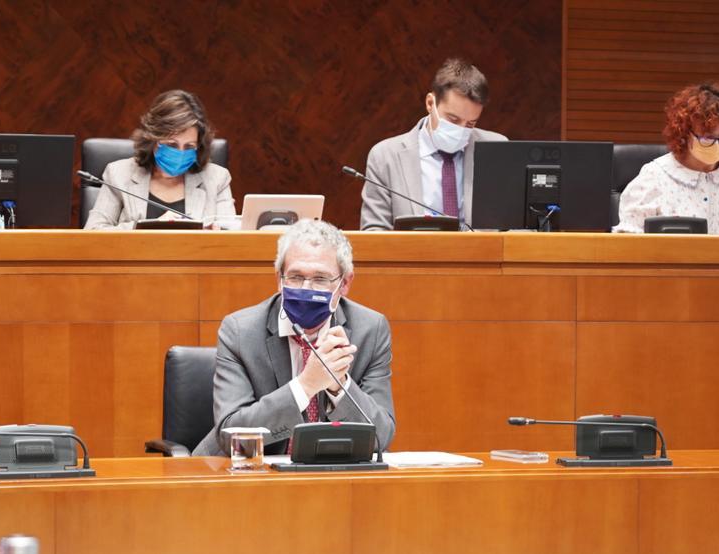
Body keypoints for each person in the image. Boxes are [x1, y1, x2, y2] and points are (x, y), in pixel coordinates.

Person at [193, 220, 396, 456]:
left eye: (320, 279)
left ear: (345, 283)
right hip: (249, 473)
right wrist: (306, 385)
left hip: (329, 476)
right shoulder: (240, 331)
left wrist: (337, 385)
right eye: (296, 277)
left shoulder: (370, 329)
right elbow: (232, 435)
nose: (306, 288)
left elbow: (381, 437)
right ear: (279, 279)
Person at [359, 58, 507, 230]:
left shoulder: (497, 150)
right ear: (430, 103)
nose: (460, 130)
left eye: (470, 124)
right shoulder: (385, 156)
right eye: (452, 119)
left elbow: (516, 228)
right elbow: (374, 232)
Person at [614, 82, 719, 235]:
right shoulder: (654, 177)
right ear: (685, 134)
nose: (716, 144)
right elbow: (629, 240)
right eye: (707, 138)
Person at [84, 90, 234, 229]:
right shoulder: (119, 174)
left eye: (189, 146)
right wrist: (149, 228)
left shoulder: (217, 179)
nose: (180, 152)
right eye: (172, 145)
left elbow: (233, 238)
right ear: (153, 140)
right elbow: (93, 233)